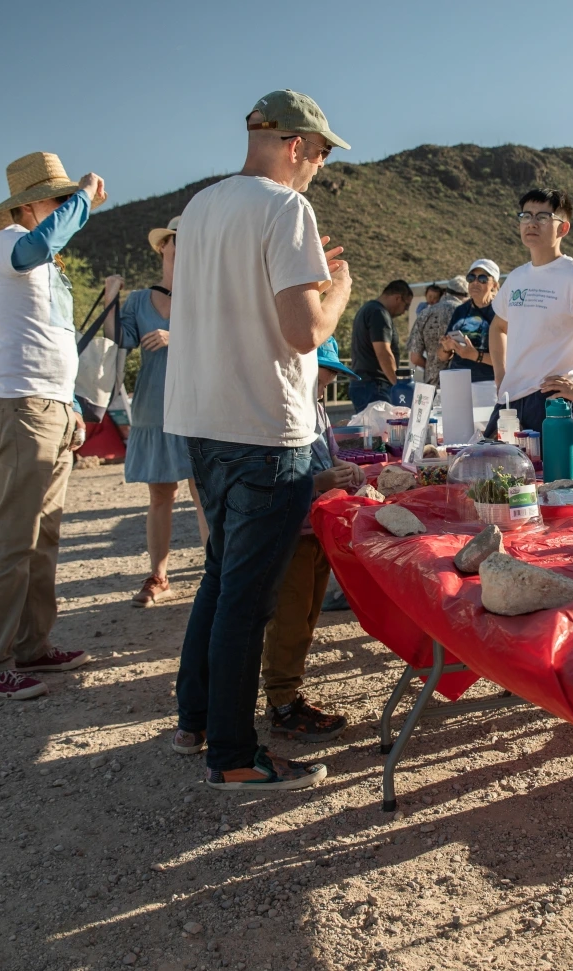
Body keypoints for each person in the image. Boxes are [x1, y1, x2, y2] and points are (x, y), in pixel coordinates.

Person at [163, 89, 352, 793]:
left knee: (219, 575)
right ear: (296, 145)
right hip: (265, 427)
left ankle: (196, 720)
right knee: (247, 596)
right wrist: (338, 289)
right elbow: (305, 331)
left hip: (203, 421)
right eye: (323, 154)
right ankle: (236, 755)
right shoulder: (285, 207)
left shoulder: (201, 208)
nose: (320, 169)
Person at [0, 152, 106, 701]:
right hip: (21, 408)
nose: (65, 207)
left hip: (48, 407)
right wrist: (83, 201)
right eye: (56, 198)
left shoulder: (44, 263)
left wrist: (71, 403)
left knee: (43, 534)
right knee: (13, 537)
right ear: (27, 205)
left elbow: (50, 344)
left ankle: (31, 645)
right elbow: (40, 244)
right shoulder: (9, 242)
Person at [263, 336, 365, 742]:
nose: (325, 386)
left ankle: (290, 692)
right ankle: (282, 701)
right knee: (290, 618)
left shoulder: (317, 410)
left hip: (318, 528)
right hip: (291, 531)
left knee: (307, 615)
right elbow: (275, 477)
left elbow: (330, 455)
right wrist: (318, 482)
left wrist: (347, 470)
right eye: (323, 377)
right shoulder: (279, 411)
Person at [114, 215, 208, 608]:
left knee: (204, 493)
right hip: (153, 406)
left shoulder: (205, 294)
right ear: (163, 246)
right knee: (159, 496)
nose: (184, 245)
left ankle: (213, 575)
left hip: (197, 404)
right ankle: (159, 575)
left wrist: (176, 336)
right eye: (177, 239)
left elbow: (219, 344)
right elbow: (119, 340)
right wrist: (108, 300)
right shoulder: (137, 299)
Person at [485, 189, 573, 436]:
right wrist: (500, 376)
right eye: (526, 216)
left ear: (563, 228)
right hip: (509, 400)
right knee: (491, 472)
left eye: (543, 217)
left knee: (548, 475)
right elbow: (498, 327)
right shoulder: (516, 277)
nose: (532, 223)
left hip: (551, 401)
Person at [348, 280, 412, 410]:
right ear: (398, 298)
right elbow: (384, 353)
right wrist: (398, 385)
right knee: (382, 430)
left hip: (364, 384)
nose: (404, 312)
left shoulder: (367, 309)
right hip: (375, 386)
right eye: (406, 306)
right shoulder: (379, 313)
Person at [439, 259, 501, 385]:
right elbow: (442, 356)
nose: (475, 283)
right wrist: (446, 348)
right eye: (471, 278)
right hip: (457, 381)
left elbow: (507, 360)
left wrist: (476, 356)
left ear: (494, 285)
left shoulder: (501, 312)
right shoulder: (460, 310)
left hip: (487, 384)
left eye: (482, 279)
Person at [405, 276, 467, 387]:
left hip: (431, 384)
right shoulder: (467, 313)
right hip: (462, 383)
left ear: (446, 293)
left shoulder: (424, 313)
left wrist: (431, 366)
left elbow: (415, 357)